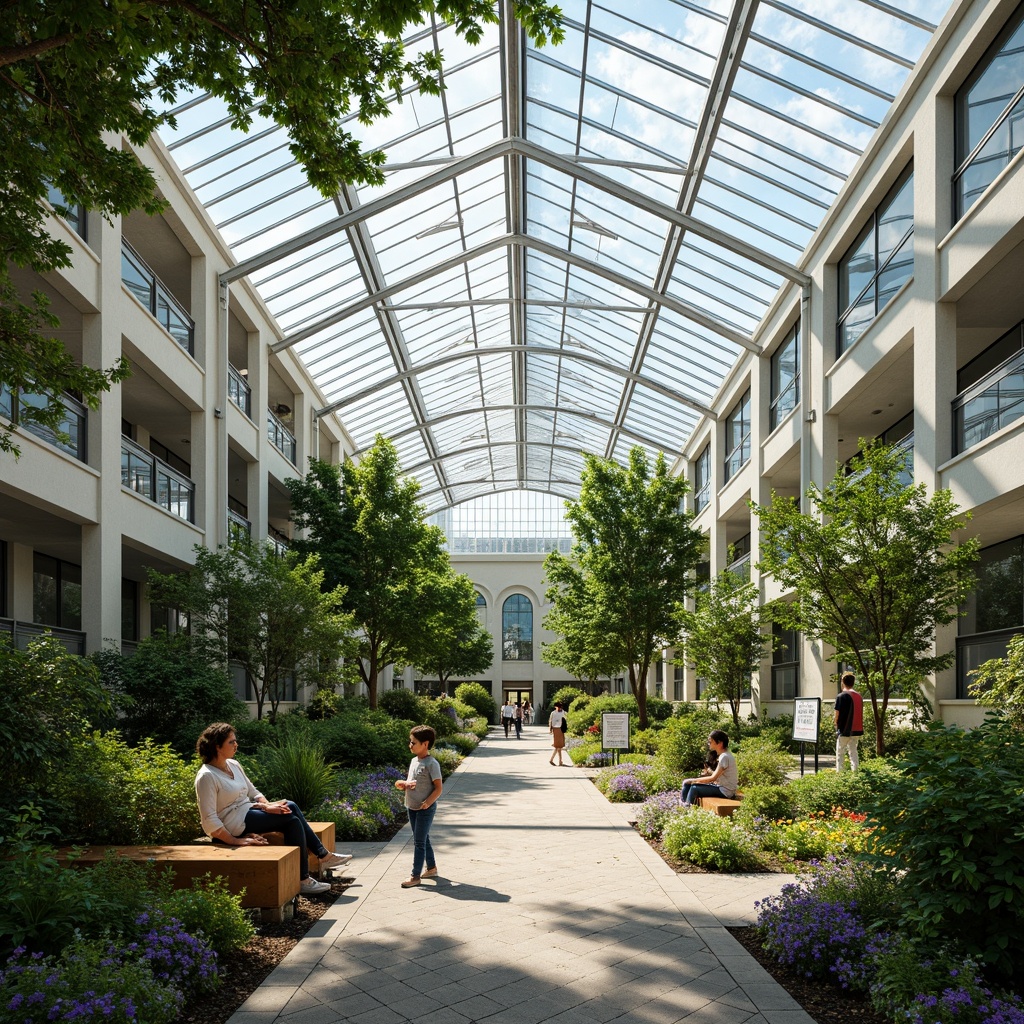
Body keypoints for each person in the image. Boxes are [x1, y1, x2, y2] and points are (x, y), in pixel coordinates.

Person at [194, 722, 352, 895]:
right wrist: (234, 840)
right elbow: (209, 820)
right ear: (217, 746)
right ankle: (309, 872)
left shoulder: (233, 764)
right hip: (232, 822)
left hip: (248, 810)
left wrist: (268, 806)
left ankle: (317, 863)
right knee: (290, 820)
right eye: (231, 742)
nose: (236, 745)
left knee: (289, 806)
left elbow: (254, 791)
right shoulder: (207, 776)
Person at [395, 725, 443, 888]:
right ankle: (431, 868)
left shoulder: (432, 764)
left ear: (425, 744)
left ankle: (415, 876)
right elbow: (413, 782)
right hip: (412, 806)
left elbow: (438, 788)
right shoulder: (413, 761)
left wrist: (428, 802)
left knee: (419, 842)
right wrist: (405, 784)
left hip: (425, 809)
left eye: (413, 742)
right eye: (410, 742)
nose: (410, 745)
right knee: (423, 838)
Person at [680, 731, 738, 807]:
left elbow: (713, 778)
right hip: (722, 788)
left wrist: (692, 780)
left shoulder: (725, 756)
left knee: (694, 787)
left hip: (726, 791)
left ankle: (687, 809)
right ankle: (684, 806)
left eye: (711, 742)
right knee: (688, 785)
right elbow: (717, 776)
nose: (709, 743)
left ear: (720, 743)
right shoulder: (725, 755)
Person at [834, 671, 864, 771]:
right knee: (853, 751)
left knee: (840, 752)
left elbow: (837, 714)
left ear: (843, 681)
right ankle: (855, 771)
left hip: (844, 729)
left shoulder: (841, 696)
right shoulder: (859, 696)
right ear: (853, 682)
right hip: (856, 729)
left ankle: (840, 773)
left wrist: (836, 725)